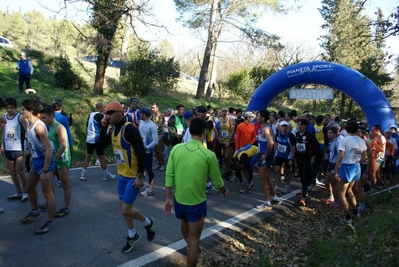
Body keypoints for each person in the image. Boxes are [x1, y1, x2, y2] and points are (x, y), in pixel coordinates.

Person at [164, 118, 228, 267]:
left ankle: (189, 247)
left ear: (189, 130)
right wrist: (223, 190)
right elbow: (217, 181)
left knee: (183, 222)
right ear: (204, 132)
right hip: (197, 203)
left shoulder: (176, 149)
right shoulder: (208, 155)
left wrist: (168, 198)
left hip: (179, 199)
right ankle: (192, 248)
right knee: (194, 242)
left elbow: (169, 174)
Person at [99, 101, 155, 254]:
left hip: (132, 177)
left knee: (125, 209)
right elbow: (100, 145)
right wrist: (103, 127)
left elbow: (141, 153)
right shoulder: (112, 129)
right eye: (106, 113)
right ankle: (132, 235)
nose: (107, 116)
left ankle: (148, 222)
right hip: (122, 175)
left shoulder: (129, 129)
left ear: (120, 112)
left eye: (110, 113)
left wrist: (139, 176)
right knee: (123, 208)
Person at [19, 99, 56, 234]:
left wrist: (45, 170)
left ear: (31, 111)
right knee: (29, 187)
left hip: (46, 161)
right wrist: (29, 156)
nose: (21, 111)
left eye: (23, 109)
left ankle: (50, 222)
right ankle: (34, 210)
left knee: (47, 193)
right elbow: (32, 144)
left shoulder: (39, 127)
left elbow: (48, 149)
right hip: (36, 159)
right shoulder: (29, 124)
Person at [332, 120, 367, 224]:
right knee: (350, 190)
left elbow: (340, 157)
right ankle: (356, 212)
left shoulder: (344, 140)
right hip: (356, 167)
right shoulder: (361, 140)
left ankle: (348, 218)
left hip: (346, 167)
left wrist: (335, 170)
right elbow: (365, 157)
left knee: (341, 193)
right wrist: (356, 160)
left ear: (346, 128)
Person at [39, 107, 71, 217]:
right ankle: (50, 202)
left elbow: (63, 146)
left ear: (51, 116)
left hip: (62, 159)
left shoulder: (59, 127)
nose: (42, 120)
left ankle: (66, 208)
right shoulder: (50, 127)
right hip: (54, 158)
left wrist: (54, 159)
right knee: (49, 182)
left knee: (64, 183)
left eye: (43, 117)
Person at [1, 97, 28, 202]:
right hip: (8, 148)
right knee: (12, 172)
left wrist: (27, 147)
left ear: (15, 107)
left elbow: (27, 132)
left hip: (19, 148)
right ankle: (18, 191)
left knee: (20, 171)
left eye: (11, 108)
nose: (9, 110)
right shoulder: (4, 117)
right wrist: (2, 145)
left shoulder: (20, 117)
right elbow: (4, 132)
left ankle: (26, 192)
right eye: (7, 108)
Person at [80, 102, 116, 181]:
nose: (104, 108)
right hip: (96, 139)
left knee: (88, 156)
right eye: (104, 107)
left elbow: (87, 127)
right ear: (101, 107)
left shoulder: (91, 114)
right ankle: (107, 174)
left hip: (89, 138)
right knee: (102, 157)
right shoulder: (100, 116)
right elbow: (105, 124)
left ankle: (83, 174)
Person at [294, 118, 318, 206]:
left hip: (307, 159)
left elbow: (317, 146)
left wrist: (313, 157)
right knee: (301, 176)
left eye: (301, 125)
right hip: (299, 159)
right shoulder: (296, 134)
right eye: (298, 124)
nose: (299, 126)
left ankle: (303, 197)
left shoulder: (309, 135)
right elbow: (295, 148)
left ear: (305, 126)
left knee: (304, 176)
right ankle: (305, 189)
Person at [138, 107, 158, 196]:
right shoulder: (141, 122)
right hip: (139, 148)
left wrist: (146, 147)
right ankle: (141, 184)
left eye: (141, 113)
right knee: (140, 168)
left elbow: (155, 141)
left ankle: (150, 188)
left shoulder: (152, 126)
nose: (139, 115)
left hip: (147, 150)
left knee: (148, 169)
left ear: (144, 115)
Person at [273, 121, 296, 194]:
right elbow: (276, 143)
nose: (284, 128)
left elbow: (293, 147)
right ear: (280, 127)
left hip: (287, 156)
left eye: (285, 126)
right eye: (282, 126)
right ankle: (276, 186)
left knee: (288, 171)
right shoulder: (278, 134)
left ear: (288, 127)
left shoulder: (291, 135)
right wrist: (275, 153)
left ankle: (287, 186)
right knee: (277, 170)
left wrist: (292, 158)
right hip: (279, 155)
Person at [219, 107, 236, 180]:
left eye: (225, 111)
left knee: (227, 157)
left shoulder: (231, 120)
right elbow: (221, 129)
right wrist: (219, 137)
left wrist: (228, 141)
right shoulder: (221, 120)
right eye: (223, 111)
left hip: (230, 142)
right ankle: (227, 171)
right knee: (225, 158)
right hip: (223, 140)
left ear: (228, 112)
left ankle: (231, 171)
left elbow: (232, 131)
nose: (224, 112)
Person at [151, 102, 166, 171]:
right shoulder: (153, 115)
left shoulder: (161, 115)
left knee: (158, 150)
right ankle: (159, 163)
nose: (152, 109)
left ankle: (163, 164)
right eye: (152, 107)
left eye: (153, 108)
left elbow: (160, 122)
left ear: (157, 108)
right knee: (156, 150)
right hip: (154, 134)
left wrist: (157, 126)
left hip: (160, 135)